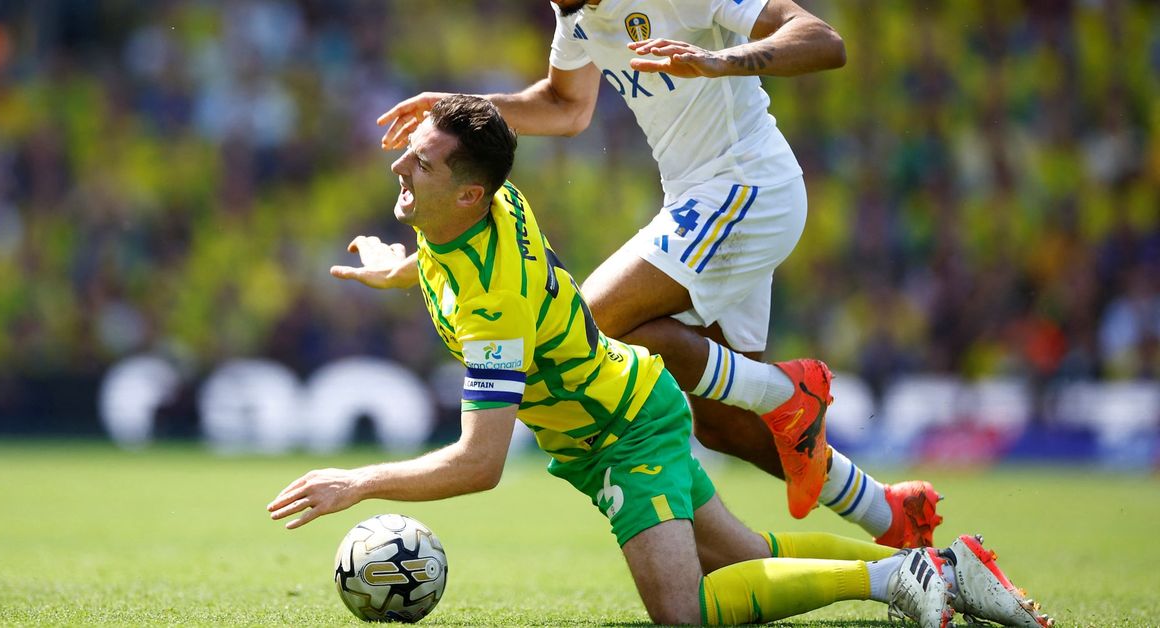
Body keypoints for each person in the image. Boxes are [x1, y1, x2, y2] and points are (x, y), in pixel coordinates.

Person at [268, 95, 1051, 627]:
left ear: (470, 195)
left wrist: (356, 481)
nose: (401, 169)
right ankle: (943, 566)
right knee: (747, 557)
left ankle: (894, 579)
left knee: (685, 611)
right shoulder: (485, 210)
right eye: (410, 155)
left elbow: (480, 463)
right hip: (628, 403)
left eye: (423, 164)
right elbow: (445, 257)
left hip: (622, 431)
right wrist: (395, 263)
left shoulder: (492, 302)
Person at [374, 0, 941, 548]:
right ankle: (888, 510)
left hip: (746, 185)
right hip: (699, 200)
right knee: (719, 423)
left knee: (588, 327)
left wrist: (719, 60)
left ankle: (786, 392)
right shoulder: (575, 15)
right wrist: (460, 104)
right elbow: (565, 105)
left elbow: (824, 40)